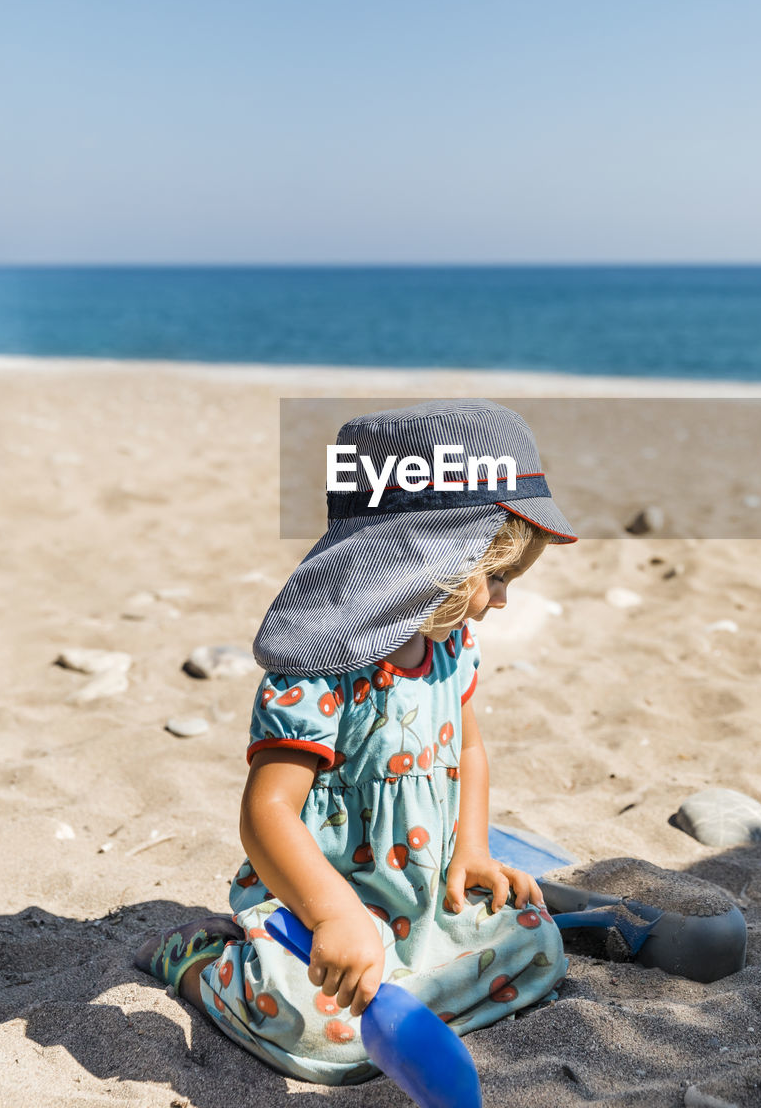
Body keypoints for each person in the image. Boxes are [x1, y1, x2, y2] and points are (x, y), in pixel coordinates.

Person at [135, 398, 579, 1085]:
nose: (500, 601)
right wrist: (336, 915)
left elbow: (467, 750)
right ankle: (198, 961)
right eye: (493, 577)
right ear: (429, 556)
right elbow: (268, 814)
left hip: (419, 897)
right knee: (326, 1029)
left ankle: (412, 981)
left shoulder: (449, 644)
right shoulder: (318, 673)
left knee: (535, 941)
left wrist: (472, 851)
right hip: (318, 907)